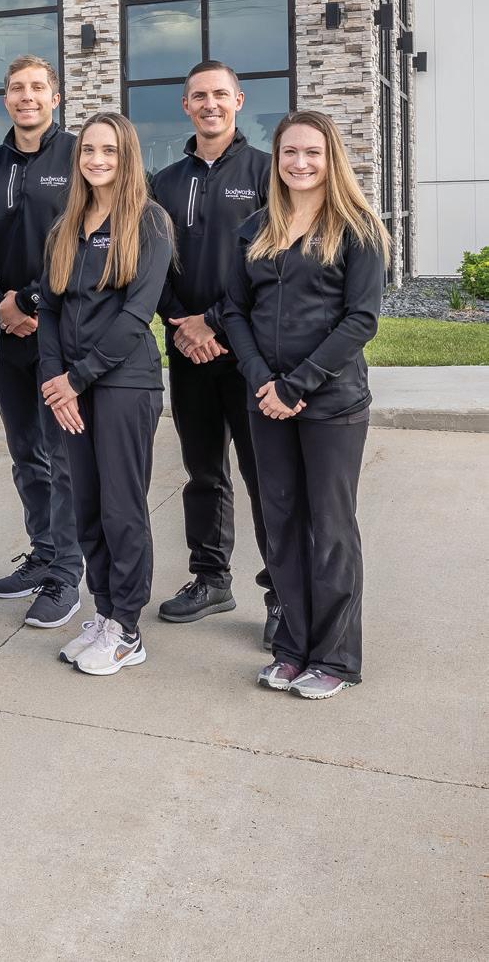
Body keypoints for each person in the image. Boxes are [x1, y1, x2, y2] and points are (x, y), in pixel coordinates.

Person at [221, 111, 387, 700]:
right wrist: (262, 380)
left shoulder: (358, 229)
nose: (300, 163)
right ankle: (292, 649)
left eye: (312, 152)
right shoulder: (255, 229)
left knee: (331, 528)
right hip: (266, 401)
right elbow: (234, 310)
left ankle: (335, 657)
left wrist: (297, 385)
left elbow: (360, 319)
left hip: (331, 404)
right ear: (277, 160)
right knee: (282, 524)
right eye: (290, 152)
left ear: (330, 157)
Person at [39, 113, 174, 676]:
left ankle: (128, 629)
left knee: (122, 508)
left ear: (127, 157)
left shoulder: (150, 222)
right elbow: (50, 311)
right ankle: (103, 612)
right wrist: (56, 381)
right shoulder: (65, 225)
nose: (97, 160)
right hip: (72, 388)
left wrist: (77, 378)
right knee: (87, 507)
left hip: (123, 383)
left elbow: (136, 316)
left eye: (109, 151)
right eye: (89, 150)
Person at [150, 61, 279, 646]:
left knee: (264, 477)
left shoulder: (266, 173)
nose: (210, 104)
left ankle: (282, 593)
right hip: (187, 351)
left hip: (248, 353)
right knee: (203, 472)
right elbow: (151, 263)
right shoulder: (165, 182)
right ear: (186, 105)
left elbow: (271, 264)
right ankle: (210, 579)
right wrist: (182, 324)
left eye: (220, 95)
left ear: (238, 101)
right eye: (199, 96)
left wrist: (216, 323)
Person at [0, 56, 82, 627]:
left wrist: (33, 302)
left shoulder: (78, 159)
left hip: (59, 334)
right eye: (17, 88)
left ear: (54, 97)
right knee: (26, 453)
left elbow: (87, 244)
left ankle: (67, 572)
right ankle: (43, 552)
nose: (27, 96)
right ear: (6, 99)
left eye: (38, 87)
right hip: (4, 335)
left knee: (63, 458)